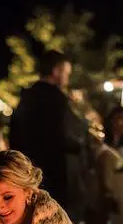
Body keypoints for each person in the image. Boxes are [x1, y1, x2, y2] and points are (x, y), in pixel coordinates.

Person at [8, 50, 83, 210]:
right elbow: (63, 135)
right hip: (53, 172)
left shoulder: (27, 97)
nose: (67, 78)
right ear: (56, 71)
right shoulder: (57, 99)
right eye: (66, 73)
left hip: (27, 171)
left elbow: (14, 134)